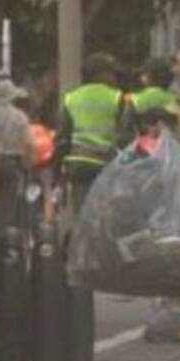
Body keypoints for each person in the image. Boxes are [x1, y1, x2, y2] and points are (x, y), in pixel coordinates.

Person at [55, 52, 127, 232]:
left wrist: (59, 170)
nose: (114, 77)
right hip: (106, 165)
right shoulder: (117, 97)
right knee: (107, 214)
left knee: (82, 213)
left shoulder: (71, 98)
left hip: (79, 164)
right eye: (111, 73)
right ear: (101, 74)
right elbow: (126, 135)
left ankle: (83, 249)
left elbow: (63, 135)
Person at [0, 79, 36, 235]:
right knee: (7, 208)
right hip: (11, 164)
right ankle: (4, 239)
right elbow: (29, 145)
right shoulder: (19, 117)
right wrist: (28, 167)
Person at [123, 57, 180, 143]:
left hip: (142, 146)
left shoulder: (135, 99)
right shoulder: (175, 99)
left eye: (143, 73)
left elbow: (126, 125)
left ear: (149, 76)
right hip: (168, 146)